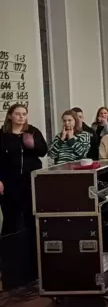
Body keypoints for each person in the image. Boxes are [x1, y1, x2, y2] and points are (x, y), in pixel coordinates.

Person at [0, 104, 48, 292]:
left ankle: (33, 270)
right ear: (10, 116)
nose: (21, 117)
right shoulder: (2, 135)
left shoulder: (32, 131)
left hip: (30, 183)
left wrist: (32, 144)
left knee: (30, 221)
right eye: (17, 114)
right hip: (9, 184)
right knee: (11, 223)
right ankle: (11, 271)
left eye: (24, 114)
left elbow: (43, 151)